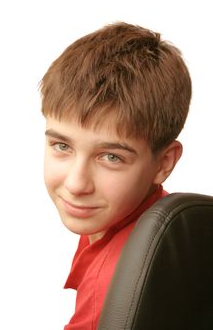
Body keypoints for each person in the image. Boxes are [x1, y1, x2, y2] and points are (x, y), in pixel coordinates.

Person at [40, 22, 192, 329]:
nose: (76, 183)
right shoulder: (118, 213)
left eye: (111, 157)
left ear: (164, 162)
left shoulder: (109, 293)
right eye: (61, 145)